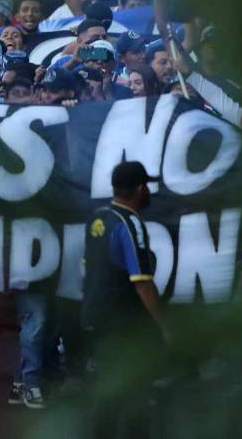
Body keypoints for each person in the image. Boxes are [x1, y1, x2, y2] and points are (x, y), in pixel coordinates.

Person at [82, 161, 168, 438]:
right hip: (124, 323)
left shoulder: (97, 217)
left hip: (96, 315)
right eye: (147, 186)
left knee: (108, 390)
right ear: (141, 188)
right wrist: (164, 325)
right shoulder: (130, 223)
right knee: (137, 390)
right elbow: (142, 282)